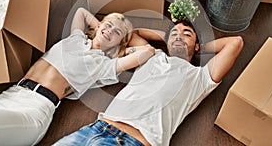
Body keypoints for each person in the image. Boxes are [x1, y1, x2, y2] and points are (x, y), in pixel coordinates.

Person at [53, 19, 244, 146]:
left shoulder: (200, 77)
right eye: (175, 33)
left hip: (130, 142)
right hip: (94, 128)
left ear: (196, 45)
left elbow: (235, 42)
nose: (179, 35)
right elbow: (132, 34)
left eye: (187, 33)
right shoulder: (152, 55)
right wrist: (171, 37)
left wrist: (198, 48)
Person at [0, 7, 155, 146]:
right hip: (10, 96)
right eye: (108, 25)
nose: (110, 30)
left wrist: (127, 42)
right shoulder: (76, 38)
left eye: (116, 32)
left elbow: (148, 51)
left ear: (120, 41)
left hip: (34, 109)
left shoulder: (104, 65)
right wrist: (103, 29)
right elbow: (81, 12)